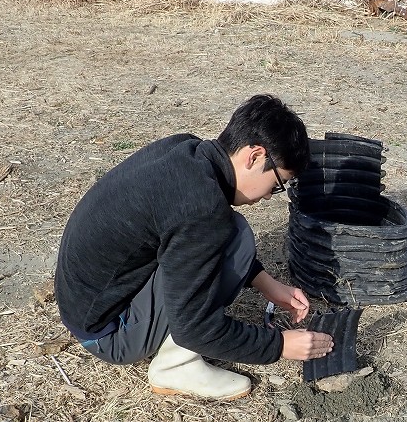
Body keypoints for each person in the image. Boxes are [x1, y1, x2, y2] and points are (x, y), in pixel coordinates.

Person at [54, 94, 334, 401]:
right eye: (277, 184)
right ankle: (176, 366)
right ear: (254, 156)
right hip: (109, 332)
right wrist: (279, 345)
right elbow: (194, 328)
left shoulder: (186, 150)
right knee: (234, 234)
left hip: (86, 303)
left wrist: (266, 284)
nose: (269, 195)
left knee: (233, 231)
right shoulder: (202, 208)